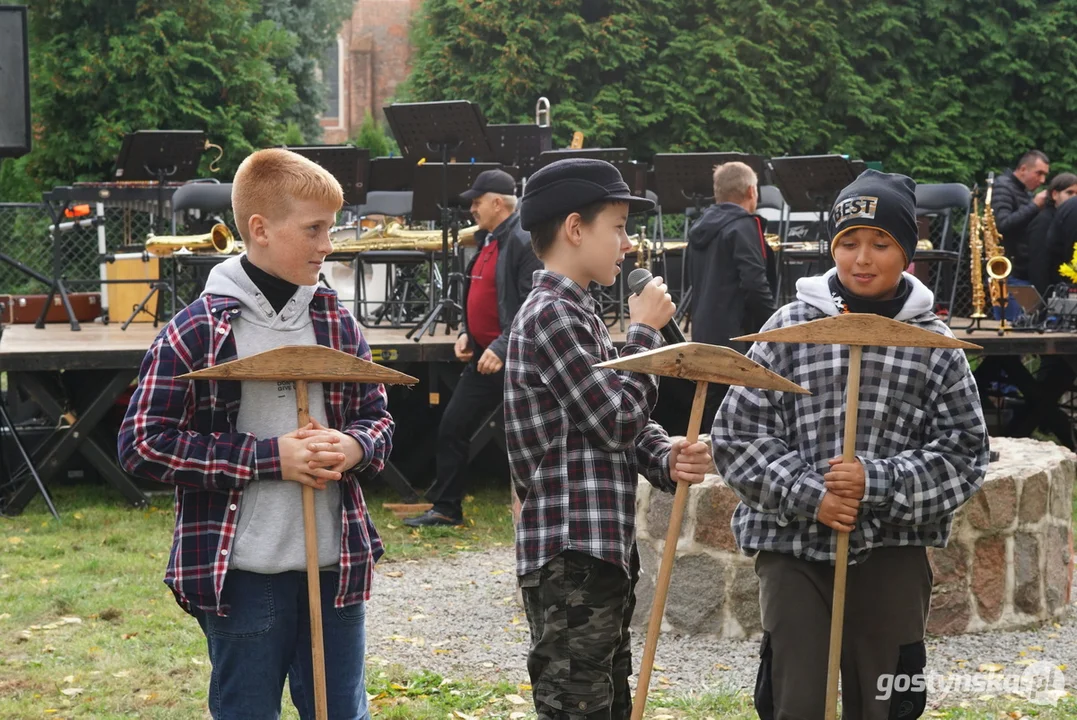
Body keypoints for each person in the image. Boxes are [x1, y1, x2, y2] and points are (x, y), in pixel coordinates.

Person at [118, 148, 393, 720]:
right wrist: (268, 458)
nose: (328, 244)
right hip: (244, 574)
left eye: (331, 228)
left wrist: (355, 446)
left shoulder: (337, 323)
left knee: (340, 710)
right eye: (314, 229)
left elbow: (379, 420)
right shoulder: (197, 330)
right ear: (260, 230)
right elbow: (142, 443)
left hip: (333, 568)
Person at [711, 169, 989, 720]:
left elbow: (965, 453)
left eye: (880, 243)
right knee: (797, 698)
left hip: (891, 548)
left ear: (907, 250)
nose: (863, 258)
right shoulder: (788, 329)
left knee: (885, 699)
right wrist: (810, 492)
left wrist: (876, 481)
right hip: (793, 546)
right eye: (849, 243)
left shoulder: (934, 344)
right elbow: (738, 436)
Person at [505, 158, 713, 719]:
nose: (627, 244)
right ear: (575, 228)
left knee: (608, 701)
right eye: (617, 226)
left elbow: (614, 427)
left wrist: (666, 456)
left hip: (599, 551)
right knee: (577, 705)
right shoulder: (552, 315)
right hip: (571, 553)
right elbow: (614, 420)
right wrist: (643, 332)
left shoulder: (582, 315)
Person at [404, 169, 542, 527]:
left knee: (530, 435)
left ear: (498, 203)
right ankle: (447, 508)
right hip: (484, 356)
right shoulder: (488, 238)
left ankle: (540, 510)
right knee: (452, 425)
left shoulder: (524, 241)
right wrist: (468, 331)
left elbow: (531, 305)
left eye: (477, 202)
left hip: (513, 359)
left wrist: (501, 345)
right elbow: (481, 291)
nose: (472, 209)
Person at [687, 160, 778, 422]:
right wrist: (773, 329)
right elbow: (754, 283)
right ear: (752, 191)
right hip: (737, 342)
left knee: (710, 417)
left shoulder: (699, 229)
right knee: (736, 418)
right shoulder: (744, 226)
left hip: (703, 335)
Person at [992, 149, 1050, 282]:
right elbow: (1002, 225)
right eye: (1039, 173)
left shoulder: (1025, 192)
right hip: (1009, 271)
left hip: (1022, 269)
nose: (1042, 180)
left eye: (1045, 175)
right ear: (1023, 169)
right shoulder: (1003, 187)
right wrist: (1034, 206)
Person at [1026, 172, 1077, 295]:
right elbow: (1039, 265)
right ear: (1054, 194)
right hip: (1046, 290)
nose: (1073, 197)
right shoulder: (1045, 221)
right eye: (1069, 193)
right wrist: (1044, 302)